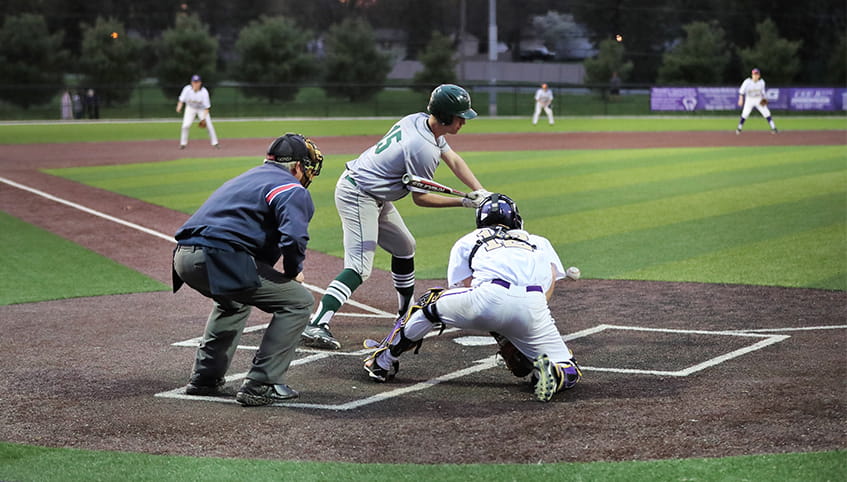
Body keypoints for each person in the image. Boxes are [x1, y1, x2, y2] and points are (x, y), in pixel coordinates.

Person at [300, 84, 490, 350]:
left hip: (376, 194)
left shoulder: (420, 121)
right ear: (445, 116)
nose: (463, 122)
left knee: (404, 246)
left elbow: (454, 159)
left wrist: (479, 190)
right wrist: (463, 202)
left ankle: (405, 314)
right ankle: (317, 323)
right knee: (359, 267)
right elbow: (420, 198)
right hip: (358, 193)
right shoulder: (422, 147)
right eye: (460, 117)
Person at [363, 193, 582, 402]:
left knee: (430, 303)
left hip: (488, 298)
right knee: (569, 367)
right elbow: (549, 282)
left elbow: (463, 288)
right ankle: (554, 372)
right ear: (516, 219)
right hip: (534, 305)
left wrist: (499, 328)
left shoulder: (470, 239)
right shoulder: (539, 241)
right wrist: (516, 333)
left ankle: (382, 361)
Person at [172, 133, 324, 406]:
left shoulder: (247, 177)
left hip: (183, 258)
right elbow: (294, 239)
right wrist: (292, 272)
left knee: (233, 303)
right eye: (307, 167)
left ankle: (205, 379)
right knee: (299, 301)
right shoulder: (292, 188)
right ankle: (262, 383)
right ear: (298, 167)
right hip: (220, 257)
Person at [176, 74, 220, 149]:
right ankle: (183, 144)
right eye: (194, 82)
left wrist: (203, 119)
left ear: (200, 83)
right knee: (185, 126)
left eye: (197, 82)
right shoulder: (187, 89)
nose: (196, 84)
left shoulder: (204, 92)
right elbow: (181, 100)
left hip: (202, 109)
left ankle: (215, 143)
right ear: (191, 82)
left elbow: (207, 107)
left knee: (209, 125)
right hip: (190, 108)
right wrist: (179, 107)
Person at [736, 68, 778, 135]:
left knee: (766, 112)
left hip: (758, 99)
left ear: (759, 75)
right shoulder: (747, 82)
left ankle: (774, 128)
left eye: (756, 74)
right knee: (745, 113)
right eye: (754, 74)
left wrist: (764, 98)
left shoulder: (761, 82)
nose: (755, 76)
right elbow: (741, 91)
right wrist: (740, 99)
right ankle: (739, 128)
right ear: (752, 75)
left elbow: (763, 92)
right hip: (749, 99)